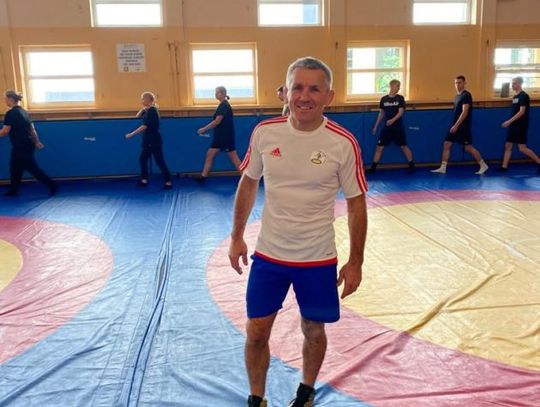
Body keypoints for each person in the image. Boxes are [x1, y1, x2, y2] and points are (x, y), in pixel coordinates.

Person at [229, 57, 368, 407]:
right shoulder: (265, 133)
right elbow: (249, 182)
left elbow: (356, 204)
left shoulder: (342, 143)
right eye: (298, 88)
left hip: (317, 259)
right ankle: (256, 397)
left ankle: (306, 390)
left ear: (329, 96)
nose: (305, 96)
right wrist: (236, 236)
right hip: (269, 255)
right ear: (285, 92)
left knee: (314, 329)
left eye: (314, 89)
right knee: (256, 331)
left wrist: (356, 261)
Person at [0, 90, 57, 197]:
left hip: (21, 146)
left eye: (5, 99)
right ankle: (13, 190)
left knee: (32, 168)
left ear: (10, 99)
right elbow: (32, 129)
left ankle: (52, 185)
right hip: (26, 144)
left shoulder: (11, 113)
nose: (4, 101)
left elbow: (5, 131)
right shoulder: (23, 112)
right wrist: (37, 141)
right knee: (15, 167)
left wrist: (37, 141)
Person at [432, 76, 489, 175]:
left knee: (468, 148)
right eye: (456, 83)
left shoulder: (466, 95)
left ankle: (483, 165)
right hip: (455, 125)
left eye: (460, 83)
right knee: (447, 144)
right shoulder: (457, 96)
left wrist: (456, 125)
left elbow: (465, 112)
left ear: (464, 83)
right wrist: (454, 125)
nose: (457, 85)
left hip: (463, 126)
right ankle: (443, 167)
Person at [125, 91, 172, 189]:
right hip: (149, 140)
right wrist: (143, 109)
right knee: (144, 159)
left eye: (143, 99)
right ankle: (144, 180)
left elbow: (145, 126)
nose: (141, 101)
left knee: (158, 160)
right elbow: (137, 116)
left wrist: (131, 134)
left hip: (153, 141)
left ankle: (167, 181)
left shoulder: (152, 111)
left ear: (148, 99)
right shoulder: (148, 110)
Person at [368, 79, 415, 173]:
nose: (398, 88)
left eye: (399, 86)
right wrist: (376, 126)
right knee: (379, 147)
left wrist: (392, 120)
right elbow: (381, 113)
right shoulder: (384, 99)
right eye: (397, 86)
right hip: (387, 128)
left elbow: (401, 112)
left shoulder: (400, 98)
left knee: (403, 146)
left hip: (398, 127)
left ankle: (411, 166)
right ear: (392, 86)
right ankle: (373, 168)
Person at [197, 86, 242, 182]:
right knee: (210, 154)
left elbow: (217, 121)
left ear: (222, 94)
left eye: (217, 92)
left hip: (225, 137)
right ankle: (203, 177)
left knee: (234, 158)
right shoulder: (222, 105)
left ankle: (246, 177)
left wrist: (204, 129)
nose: (215, 94)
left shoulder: (224, 106)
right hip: (220, 137)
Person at [498, 76, 540, 173]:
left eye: (514, 83)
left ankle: (539, 162)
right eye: (512, 83)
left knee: (522, 148)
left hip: (521, 125)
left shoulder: (524, 96)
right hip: (513, 125)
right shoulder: (515, 97)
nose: (512, 85)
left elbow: (522, 112)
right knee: (508, 145)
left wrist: (509, 121)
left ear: (520, 84)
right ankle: (504, 167)